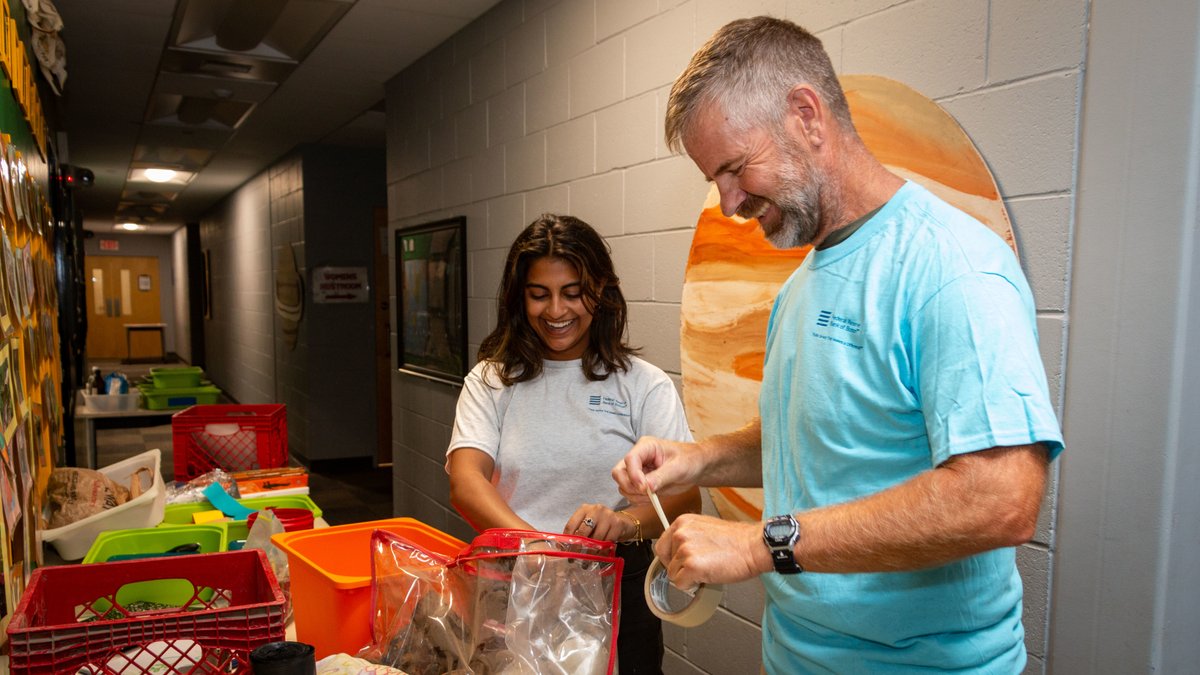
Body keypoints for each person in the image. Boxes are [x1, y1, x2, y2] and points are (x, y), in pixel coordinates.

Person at [612, 16, 1065, 673]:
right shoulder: (802, 284)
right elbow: (812, 437)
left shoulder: (952, 266)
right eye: (716, 179)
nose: (728, 200)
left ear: (805, 114)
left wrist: (760, 544)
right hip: (798, 655)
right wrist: (698, 459)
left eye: (735, 169)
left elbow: (999, 499)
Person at [447, 213, 701, 674]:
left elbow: (684, 498)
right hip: (513, 581)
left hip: (619, 583)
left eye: (572, 292)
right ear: (518, 298)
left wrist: (624, 525)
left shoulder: (644, 386)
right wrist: (538, 547)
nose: (556, 311)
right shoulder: (490, 381)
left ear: (600, 291)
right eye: (539, 294)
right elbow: (466, 482)